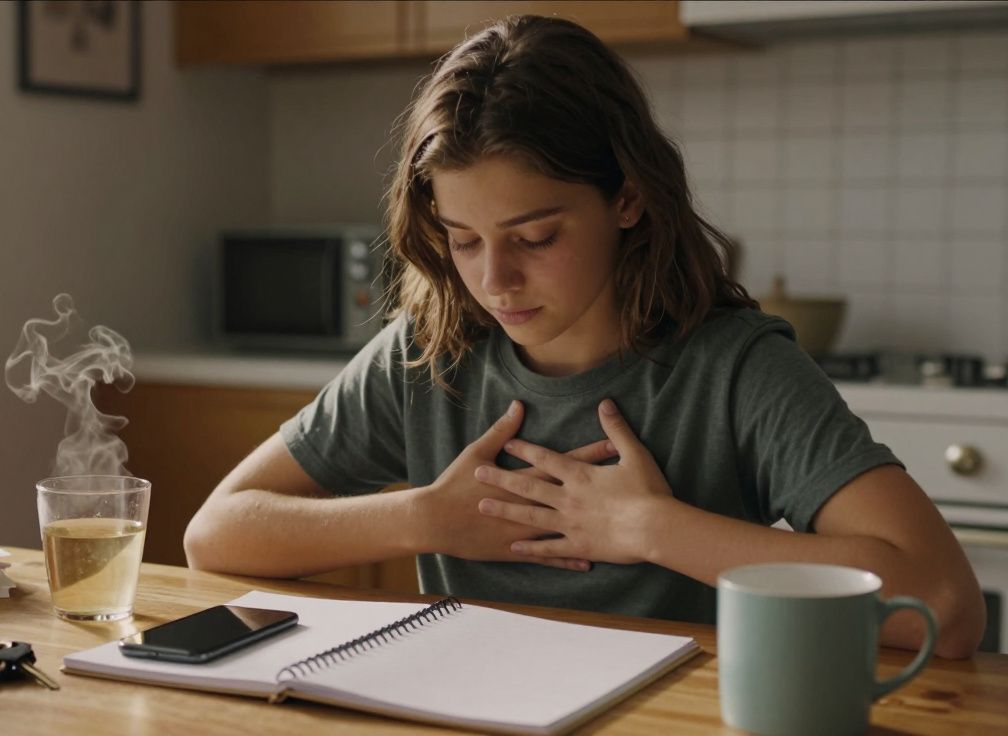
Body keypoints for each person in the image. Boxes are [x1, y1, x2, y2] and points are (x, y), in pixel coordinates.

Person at [183, 15, 985, 658]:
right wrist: (423, 518)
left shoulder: (733, 367)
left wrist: (649, 527)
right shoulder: (429, 349)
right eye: (463, 239)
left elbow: (946, 608)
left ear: (628, 199)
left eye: (534, 237)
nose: (495, 281)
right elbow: (214, 534)